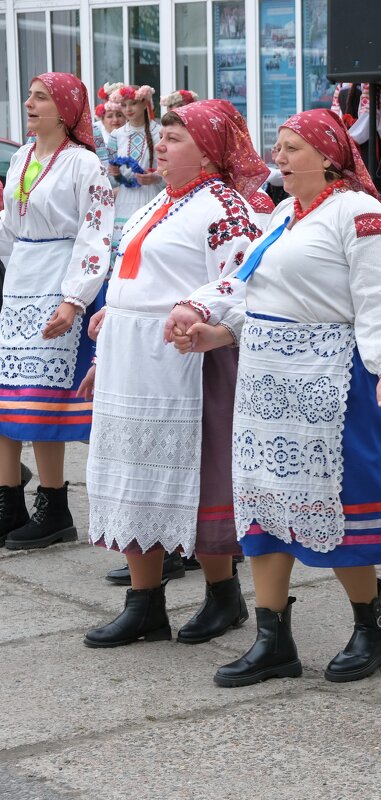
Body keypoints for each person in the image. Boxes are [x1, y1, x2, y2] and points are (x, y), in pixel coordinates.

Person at [170, 108, 381, 687]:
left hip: (329, 381)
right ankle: (272, 638)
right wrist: (218, 329)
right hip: (267, 381)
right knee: (262, 504)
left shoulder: (363, 216)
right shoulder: (285, 214)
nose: (277, 158)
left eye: (291, 149)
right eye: (277, 147)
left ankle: (371, 626)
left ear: (330, 158)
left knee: (337, 513)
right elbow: (257, 288)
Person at [82, 99, 267, 647]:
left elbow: (244, 283)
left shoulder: (225, 207)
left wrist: (200, 316)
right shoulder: (156, 203)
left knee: (200, 476)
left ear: (209, 151)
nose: (160, 144)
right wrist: (106, 345)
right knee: (136, 471)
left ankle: (223, 596)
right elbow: (133, 280)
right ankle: (145, 604)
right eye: (160, 136)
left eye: (176, 137)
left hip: (190, 360)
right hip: (132, 360)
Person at [0, 74, 113, 550]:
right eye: (29, 95)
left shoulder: (84, 164)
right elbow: (9, 225)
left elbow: (95, 233)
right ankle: (9, 503)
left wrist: (74, 298)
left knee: (42, 395)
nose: (28, 103)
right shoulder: (22, 156)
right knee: (8, 395)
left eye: (40, 97)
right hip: (22, 279)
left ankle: (54, 505)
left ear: (65, 109)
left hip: (60, 278)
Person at [110, 85, 163, 258]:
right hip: (125, 199)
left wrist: (156, 177)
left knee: (150, 248)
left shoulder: (160, 132)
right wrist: (115, 174)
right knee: (124, 248)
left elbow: (172, 169)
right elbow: (108, 176)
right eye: (124, 105)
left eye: (132, 103)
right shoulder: (116, 135)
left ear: (145, 103)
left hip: (153, 196)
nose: (128, 109)